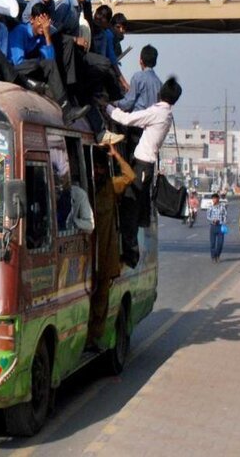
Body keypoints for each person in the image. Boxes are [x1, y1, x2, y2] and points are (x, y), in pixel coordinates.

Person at [106, 77, 183, 261]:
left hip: (142, 165)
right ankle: (131, 248)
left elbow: (126, 119)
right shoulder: (166, 114)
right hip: (146, 165)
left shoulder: (158, 112)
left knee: (130, 207)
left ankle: (131, 254)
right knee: (136, 207)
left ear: (160, 93)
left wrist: (107, 106)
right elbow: (141, 122)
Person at [7, 2, 90, 125]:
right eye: (40, 22)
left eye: (47, 23)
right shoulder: (20, 31)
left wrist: (47, 34)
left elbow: (50, 60)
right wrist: (39, 63)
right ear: (32, 20)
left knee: (48, 65)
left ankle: (66, 109)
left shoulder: (41, 36)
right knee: (38, 64)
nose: (43, 26)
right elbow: (17, 61)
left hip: (31, 69)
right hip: (15, 70)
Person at [89, 143, 135, 344]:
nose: (98, 171)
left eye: (100, 168)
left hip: (105, 253)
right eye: (95, 168)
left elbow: (130, 176)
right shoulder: (84, 187)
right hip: (87, 255)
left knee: (101, 300)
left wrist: (116, 155)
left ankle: (95, 338)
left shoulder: (111, 186)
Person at [206, 193, 228, 262]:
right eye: (213, 198)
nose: (214, 200)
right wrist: (213, 220)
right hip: (213, 227)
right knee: (212, 243)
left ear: (218, 199)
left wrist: (223, 222)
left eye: (215, 198)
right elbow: (208, 216)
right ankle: (213, 257)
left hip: (220, 227)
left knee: (220, 243)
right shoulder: (210, 208)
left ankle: (217, 255)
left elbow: (225, 215)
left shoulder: (222, 207)